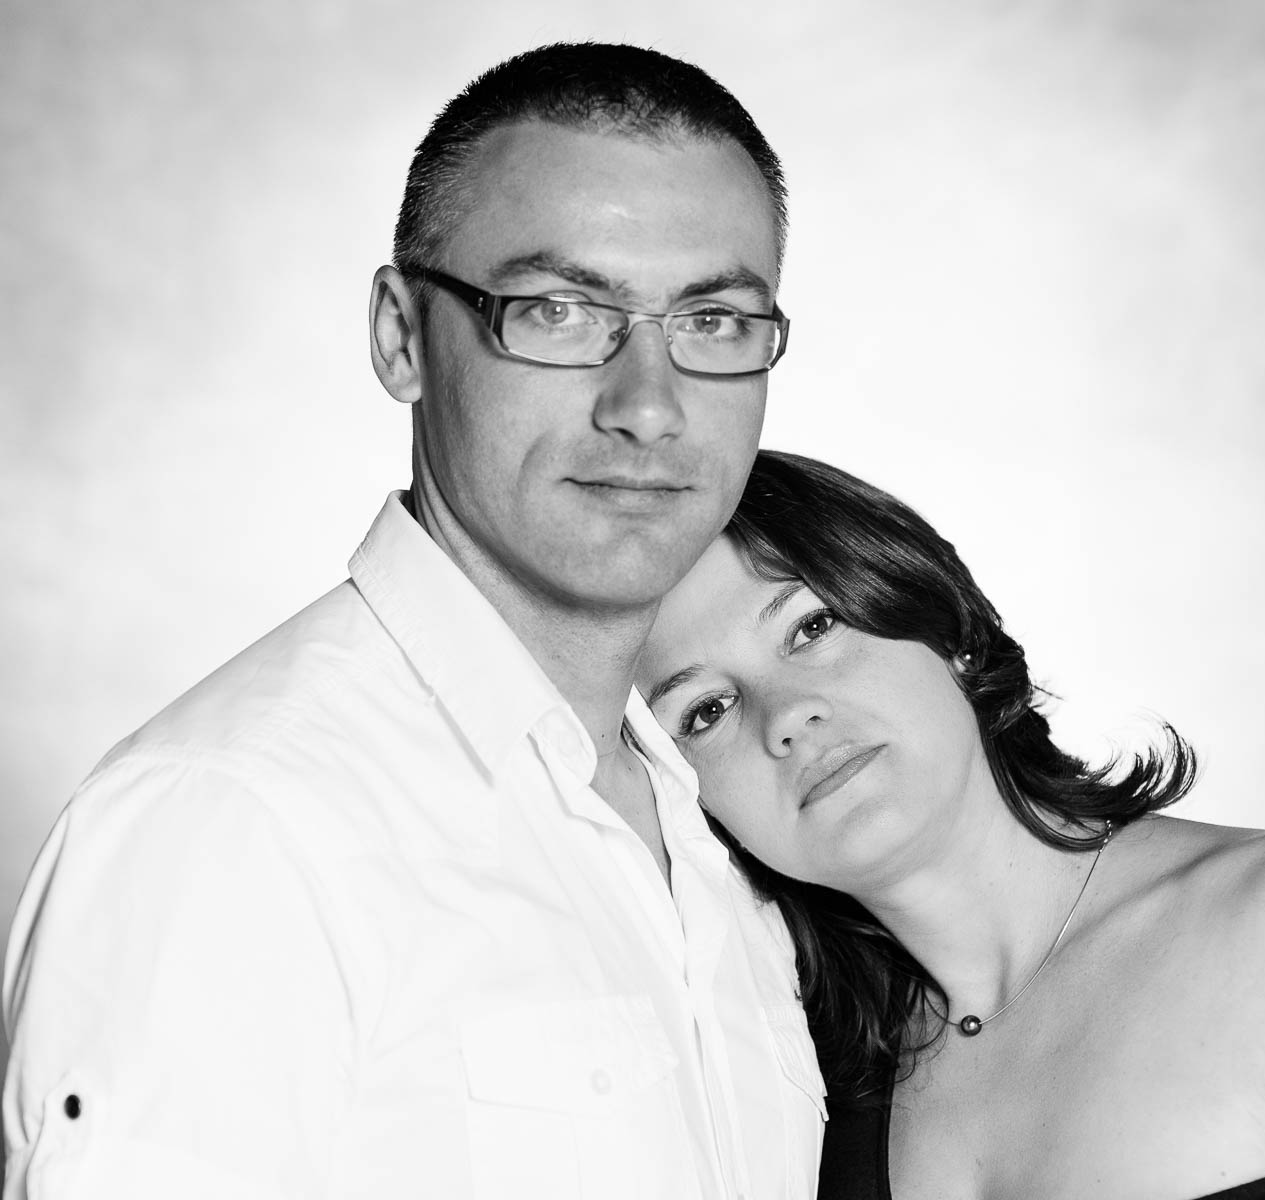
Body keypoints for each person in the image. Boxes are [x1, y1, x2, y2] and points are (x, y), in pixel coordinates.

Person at [2, 45, 825, 1200]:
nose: (647, 403)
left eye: (714, 320)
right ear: (400, 337)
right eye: (556, 309)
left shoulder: (725, 823)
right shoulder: (236, 822)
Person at [638, 449, 1265, 1200]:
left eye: (810, 627)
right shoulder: (789, 1078)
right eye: (705, 710)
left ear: (948, 631)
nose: (784, 717)